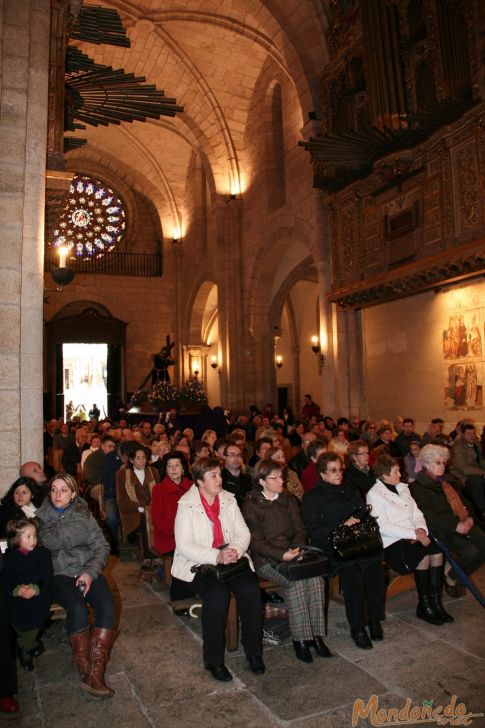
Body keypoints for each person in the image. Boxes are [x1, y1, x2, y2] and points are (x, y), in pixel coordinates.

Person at [172, 457, 264, 682]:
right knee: (217, 595)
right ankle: (213, 659)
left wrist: (234, 550)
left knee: (251, 591)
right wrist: (216, 555)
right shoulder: (186, 505)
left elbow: (243, 532)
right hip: (199, 564)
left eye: (219, 474)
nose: (219, 479)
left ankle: (254, 651)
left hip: (231, 558)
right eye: (213, 476)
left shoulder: (228, 500)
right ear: (199, 482)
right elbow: (184, 546)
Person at [242, 459, 332, 663]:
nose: (281, 480)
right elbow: (256, 542)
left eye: (281, 476)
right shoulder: (251, 503)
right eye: (276, 477)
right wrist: (282, 555)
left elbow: (300, 528)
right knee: (296, 584)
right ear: (262, 481)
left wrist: (296, 548)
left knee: (317, 581)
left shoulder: (288, 499)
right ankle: (300, 640)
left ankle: (316, 637)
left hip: (293, 553)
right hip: (266, 559)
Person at [37, 474, 117, 698]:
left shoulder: (84, 515)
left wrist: (90, 573)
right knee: (77, 608)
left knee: (106, 606)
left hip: (87, 569)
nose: (57, 495)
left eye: (64, 490)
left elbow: (102, 546)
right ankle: (86, 670)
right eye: (54, 489)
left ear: (73, 494)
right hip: (59, 573)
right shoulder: (40, 519)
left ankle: (96, 671)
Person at [302, 453, 385, 650]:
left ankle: (374, 620)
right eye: (333, 470)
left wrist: (359, 521)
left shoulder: (352, 490)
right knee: (352, 574)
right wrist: (341, 526)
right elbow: (313, 529)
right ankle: (357, 627)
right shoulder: (312, 497)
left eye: (340, 469)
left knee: (375, 569)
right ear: (322, 474)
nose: (338, 474)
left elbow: (363, 515)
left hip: (357, 544)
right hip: (333, 547)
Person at [366, 455, 452, 626]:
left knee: (436, 551)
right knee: (423, 554)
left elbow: (417, 513)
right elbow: (382, 526)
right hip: (393, 541)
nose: (400, 474)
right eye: (396, 471)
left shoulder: (402, 488)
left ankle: (436, 602)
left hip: (413, 534)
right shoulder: (374, 494)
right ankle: (424, 605)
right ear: (384, 476)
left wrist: (420, 529)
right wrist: (414, 534)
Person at [412, 445, 485, 598]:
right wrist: (456, 526)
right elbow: (430, 515)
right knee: (471, 552)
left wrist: (470, 518)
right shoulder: (419, 486)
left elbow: (467, 502)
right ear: (426, 464)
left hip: (463, 521)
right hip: (442, 528)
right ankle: (452, 575)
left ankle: (451, 573)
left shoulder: (449, 481)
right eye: (438, 463)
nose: (443, 466)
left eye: (444, 462)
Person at [0, 518, 53, 672]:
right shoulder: (9, 557)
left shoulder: (42, 554)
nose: (33, 540)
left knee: (36, 611)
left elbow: (47, 575)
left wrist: (35, 588)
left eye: (35, 535)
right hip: (17, 592)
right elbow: (5, 577)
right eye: (28, 536)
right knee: (14, 610)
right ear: (16, 539)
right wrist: (17, 589)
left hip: (39, 592)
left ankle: (26, 650)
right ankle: (28, 642)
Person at [151, 453, 193, 605]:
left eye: (177, 465)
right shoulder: (159, 489)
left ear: (183, 469)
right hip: (169, 538)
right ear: (166, 470)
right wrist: (181, 534)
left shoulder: (193, 487)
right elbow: (157, 520)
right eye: (170, 466)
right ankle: (181, 601)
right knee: (185, 554)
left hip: (193, 536)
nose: (173, 469)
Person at [116, 446, 158, 570]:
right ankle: (148, 557)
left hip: (152, 510)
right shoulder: (122, 474)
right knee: (146, 521)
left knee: (160, 520)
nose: (142, 461)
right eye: (138, 458)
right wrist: (141, 508)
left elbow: (158, 495)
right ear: (132, 460)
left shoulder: (153, 471)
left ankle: (161, 554)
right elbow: (121, 501)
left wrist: (151, 508)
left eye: (144, 458)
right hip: (132, 513)